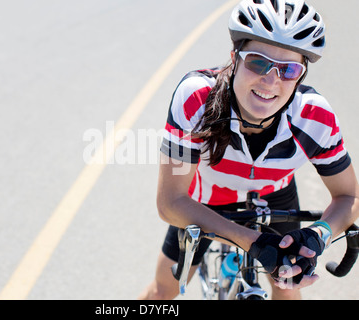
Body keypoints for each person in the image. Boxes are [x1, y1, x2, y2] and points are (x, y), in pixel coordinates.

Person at [138, 0, 359, 300]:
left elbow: (349, 197)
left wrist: (318, 235)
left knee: (287, 292)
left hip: (274, 196)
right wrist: (253, 241)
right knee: (162, 292)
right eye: (258, 62)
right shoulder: (197, 99)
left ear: (301, 75)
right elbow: (170, 202)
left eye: (289, 69)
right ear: (234, 57)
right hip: (206, 200)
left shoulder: (314, 117)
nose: (271, 80)